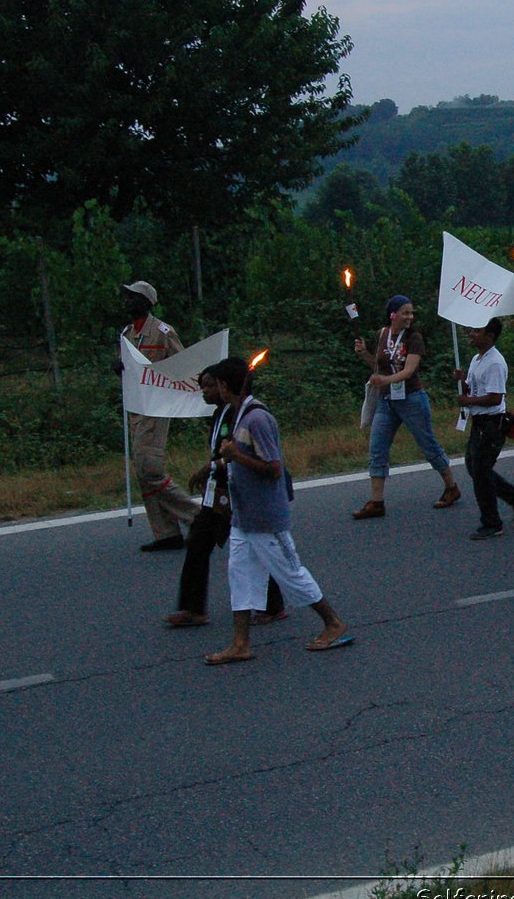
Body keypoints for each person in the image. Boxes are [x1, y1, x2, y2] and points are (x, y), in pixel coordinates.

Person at [202, 356, 352, 666]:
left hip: (266, 517)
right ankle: (240, 643)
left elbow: (273, 469)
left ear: (226, 385)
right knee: (239, 575)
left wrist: (235, 457)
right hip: (244, 517)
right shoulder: (237, 415)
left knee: (290, 573)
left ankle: (334, 624)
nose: (214, 389)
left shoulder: (257, 419)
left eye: (216, 383)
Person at [163, 368, 284, 629]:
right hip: (217, 492)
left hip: (235, 490)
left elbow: (239, 452)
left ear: (224, 386)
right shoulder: (220, 414)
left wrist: (211, 467)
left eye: (209, 386)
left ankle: (274, 604)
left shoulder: (242, 413)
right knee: (198, 541)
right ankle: (193, 608)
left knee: (255, 546)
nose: (204, 391)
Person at [351, 294, 461, 519]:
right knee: (377, 448)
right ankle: (376, 502)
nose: (410, 317)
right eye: (405, 312)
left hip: (411, 398)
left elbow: (409, 370)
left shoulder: (414, 338)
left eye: (411, 312)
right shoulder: (382, 334)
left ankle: (451, 487)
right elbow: (379, 365)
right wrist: (364, 355)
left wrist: (385, 381)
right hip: (386, 401)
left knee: (427, 444)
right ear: (393, 314)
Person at [117, 280, 199, 552]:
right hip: (137, 408)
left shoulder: (163, 331)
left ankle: (199, 518)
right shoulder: (127, 333)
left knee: (150, 468)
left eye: (132, 297)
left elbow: (183, 366)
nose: (127, 301)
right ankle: (166, 533)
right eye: (127, 297)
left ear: (146, 301)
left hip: (157, 406)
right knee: (143, 472)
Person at [454, 318, 514, 540]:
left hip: (491, 423)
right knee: (476, 468)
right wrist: (463, 382)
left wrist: (468, 401)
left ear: (489, 335)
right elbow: (475, 387)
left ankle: (491, 521)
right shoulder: (477, 359)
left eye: (476, 331)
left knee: (480, 472)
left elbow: (495, 397)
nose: (471, 334)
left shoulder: (496, 362)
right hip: (479, 422)